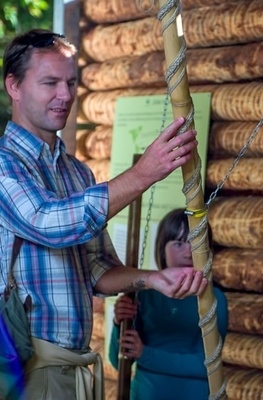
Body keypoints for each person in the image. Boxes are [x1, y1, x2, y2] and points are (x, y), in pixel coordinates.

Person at [0, 29, 207, 399]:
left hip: (73, 364)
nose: (65, 96)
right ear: (13, 86)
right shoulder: (4, 165)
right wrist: (143, 175)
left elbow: (95, 269)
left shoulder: (78, 173)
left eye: (70, 82)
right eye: (50, 83)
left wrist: (154, 279)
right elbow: (47, 222)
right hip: (25, 366)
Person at [108, 208, 229, 400]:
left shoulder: (214, 299)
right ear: (162, 250)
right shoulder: (144, 295)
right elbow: (119, 361)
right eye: (178, 244)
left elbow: (205, 365)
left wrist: (146, 355)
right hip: (147, 393)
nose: (189, 252)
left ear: (209, 251)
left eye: (195, 243)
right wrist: (118, 322)